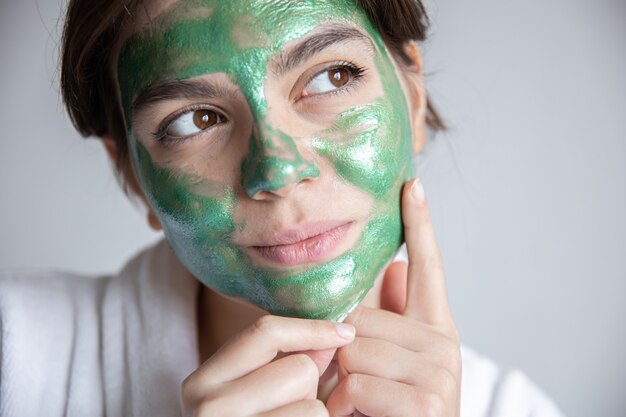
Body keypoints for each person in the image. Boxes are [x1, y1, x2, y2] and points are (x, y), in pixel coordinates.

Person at [0, 0, 566, 416]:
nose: (276, 169)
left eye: (330, 77)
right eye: (195, 120)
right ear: (132, 175)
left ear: (413, 98)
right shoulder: (13, 357)